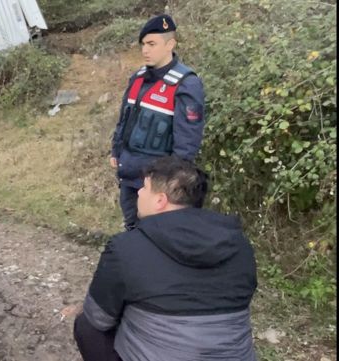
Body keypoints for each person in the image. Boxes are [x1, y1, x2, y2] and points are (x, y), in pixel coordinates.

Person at [71, 155, 257, 361]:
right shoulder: (239, 244)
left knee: (86, 325)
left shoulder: (127, 247)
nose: (139, 193)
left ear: (160, 200)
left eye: (144, 187)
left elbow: (98, 319)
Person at [110, 14, 206, 230]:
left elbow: (187, 144)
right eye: (143, 44)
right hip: (129, 176)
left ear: (170, 44)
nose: (145, 50)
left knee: (158, 238)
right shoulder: (138, 78)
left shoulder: (186, 84)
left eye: (152, 44)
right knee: (133, 231)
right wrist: (115, 151)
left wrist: (170, 186)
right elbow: (125, 119)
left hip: (158, 184)